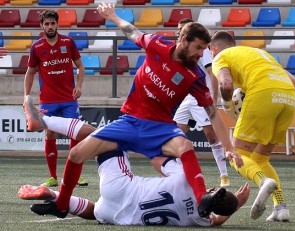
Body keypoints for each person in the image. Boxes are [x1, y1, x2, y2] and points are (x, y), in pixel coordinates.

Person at [24, 3, 243, 219]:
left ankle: (200, 198)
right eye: (198, 48)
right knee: (75, 154)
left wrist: (228, 147)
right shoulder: (156, 45)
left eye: (204, 49)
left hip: (160, 129)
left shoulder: (194, 76)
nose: (200, 54)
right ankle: (62, 204)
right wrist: (112, 16)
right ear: (183, 40)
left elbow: (212, 112)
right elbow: (132, 32)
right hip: (130, 122)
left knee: (185, 145)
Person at [18, 153, 250, 227]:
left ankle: (46, 122)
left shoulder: (187, 179)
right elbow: (217, 220)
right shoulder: (198, 221)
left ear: (209, 190)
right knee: (97, 210)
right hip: (120, 217)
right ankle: (56, 197)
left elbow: (156, 159)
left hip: (122, 187)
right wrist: (236, 205)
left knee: (106, 138)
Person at [209, 31, 295, 222]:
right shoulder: (258, 53)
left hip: (262, 94)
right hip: (289, 98)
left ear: (213, 48)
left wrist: (227, 105)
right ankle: (281, 207)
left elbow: (225, 84)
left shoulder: (220, 57)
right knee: (261, 158)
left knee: (235, 154)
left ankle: (263, 181)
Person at [23, 10, 88, 187]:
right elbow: (30, 72)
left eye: (53, 23)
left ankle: (76, 175)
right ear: (41, 26)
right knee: (50, 133)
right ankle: (53, 177)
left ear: (57, 24)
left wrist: (79, 86)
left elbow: (80, 67)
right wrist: (26, 96)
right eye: (47, 24)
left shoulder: (68, 42)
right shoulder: (36, 47)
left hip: (69, 98)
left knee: (75, 133)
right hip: (47, 100)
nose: (50, 27)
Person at [174, 18, 230, 188]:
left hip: (200, 96)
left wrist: (212, 96)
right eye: (177, 28)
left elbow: (211, 71)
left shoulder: (200, 47)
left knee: (211, 135)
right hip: (186, 98)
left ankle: (224, 175)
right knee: (175, 133)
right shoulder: (181, 50)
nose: (178, 31)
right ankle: (177, 173)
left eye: (181, 28)